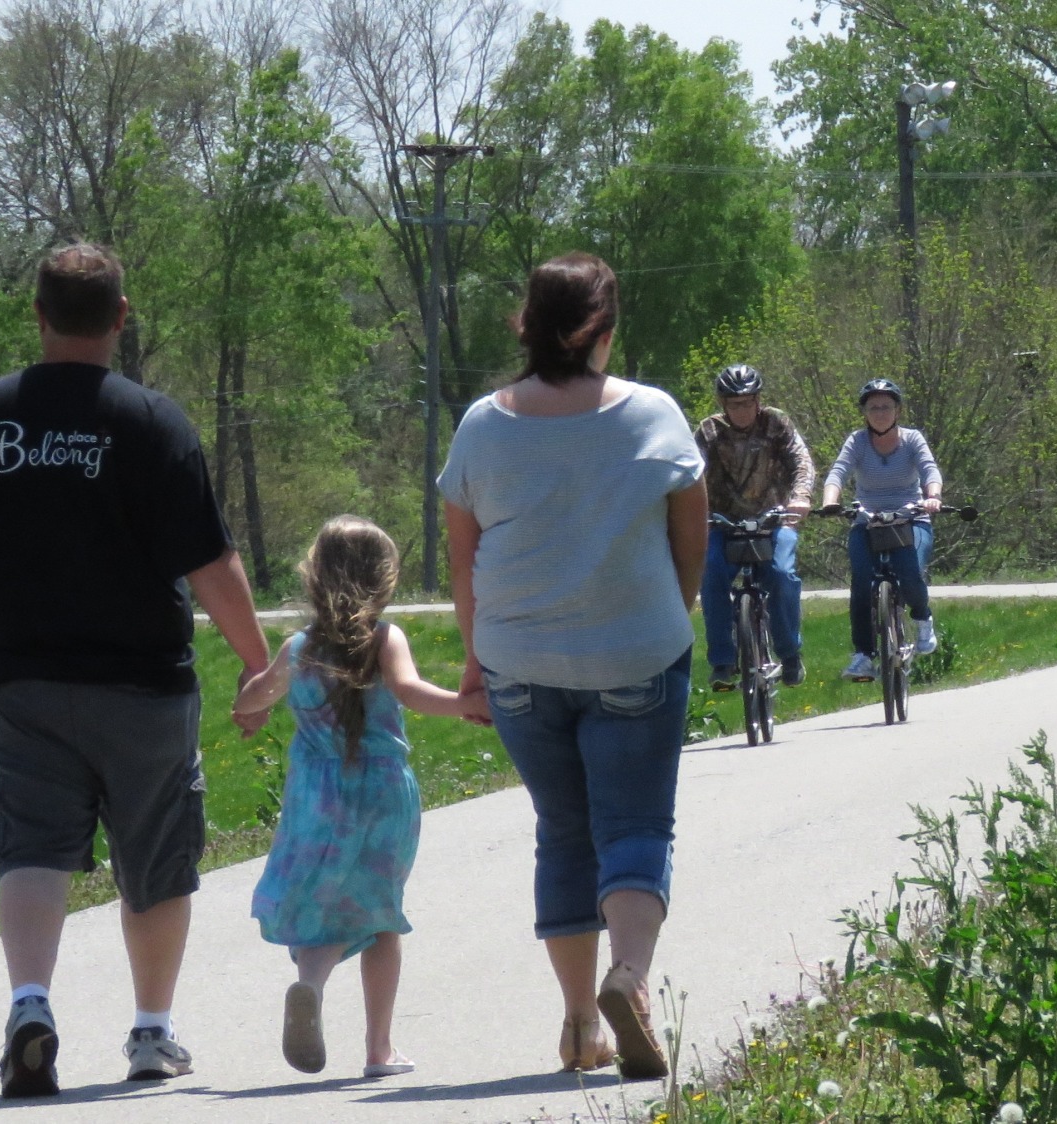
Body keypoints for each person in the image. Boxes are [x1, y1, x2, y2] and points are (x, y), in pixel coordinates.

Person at [0, 243, 274, 1097]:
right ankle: (151, 1034)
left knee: (30, 845)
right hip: (143, 686)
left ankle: (30, 1005)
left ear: (36, 316)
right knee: (156, 856)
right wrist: (257, 663)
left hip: (21, 684)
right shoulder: (154, 423)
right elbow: (213, 565)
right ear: (121, 316)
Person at [439, 252, 707, 1081]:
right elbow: (690, 531)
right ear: (605, 328)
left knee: (563, 831)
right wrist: (679, 609)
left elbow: (463, 556)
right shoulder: (653, 415)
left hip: (519, 660)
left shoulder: (484, 424)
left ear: (526, 323)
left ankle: (580, 1022)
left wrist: (477, 662)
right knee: (634, 826)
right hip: (635, 650)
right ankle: (628, 975)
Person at [231, 516, 483, 1079]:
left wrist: (247, 705)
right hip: (382, 791)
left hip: (316, 797)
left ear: (314, 576)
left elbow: (256, 695)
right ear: (385, 578)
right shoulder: (384, 637)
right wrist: (464, 703)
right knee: (380, 914)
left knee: (323, 905)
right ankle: (379, 1049)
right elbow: (410, 690)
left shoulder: (300, 646)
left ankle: (310, 984)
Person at [695, 363, 815, 691]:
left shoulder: (776, 423)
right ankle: (722, 661)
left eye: (748, 402)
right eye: (735, 404)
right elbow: (689, 476)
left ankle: (789, 653)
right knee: (711, 572)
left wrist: (800, 498)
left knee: (781, 574)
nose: (742, 410)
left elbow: (800, 461)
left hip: (774, 519)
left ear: (758, 400)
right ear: (723, 405)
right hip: (723, 523)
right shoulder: (709, 431)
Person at [819, 378, 943, 681]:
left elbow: (930, 470)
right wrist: (830, 502)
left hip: (911, 517)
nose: (880, 412)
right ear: (864, 412)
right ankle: (863, 654)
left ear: (897, 410)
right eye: (873, 407)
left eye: (886, 406)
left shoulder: (912, 440)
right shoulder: (858, 441)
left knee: (910, 568)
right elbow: (838, 472)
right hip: (868, 519)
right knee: (861, 580)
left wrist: (933, 497)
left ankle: (922, 618)